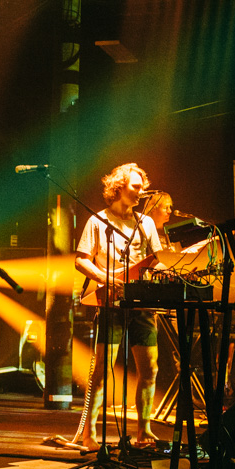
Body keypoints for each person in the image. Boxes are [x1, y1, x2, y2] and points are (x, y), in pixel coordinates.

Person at [75, 162, 162, 451]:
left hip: (142, 304)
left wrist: (167, 268)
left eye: (142, 186)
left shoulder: (146, 223)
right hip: (111, 302)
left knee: (150, 368)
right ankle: (90, 434)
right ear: (119, 188)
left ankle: (144, 429)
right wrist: (104, 277)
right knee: (102, 368)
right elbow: (81, 259)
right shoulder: (98, 221)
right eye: (136, 186)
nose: (141, 191)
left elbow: (156, 260)